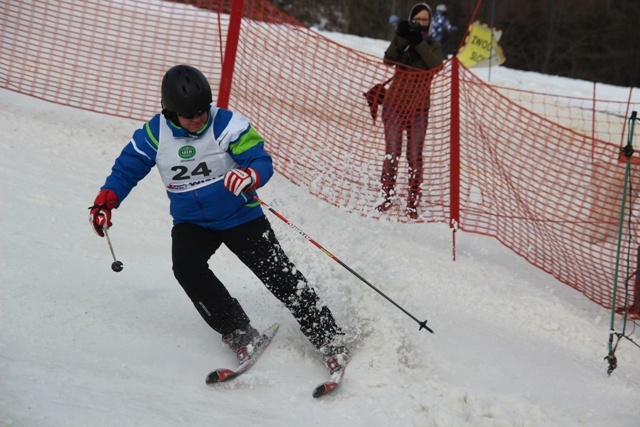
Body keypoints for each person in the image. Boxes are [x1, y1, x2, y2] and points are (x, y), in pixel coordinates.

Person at [88, 64, 350, 374]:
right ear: (170, 112)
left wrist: (249, 175)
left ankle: (329, 338)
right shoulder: (153, 134)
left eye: (202, 110)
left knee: (280, 276)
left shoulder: (225, 124)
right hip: (192, 223)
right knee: (186, 268)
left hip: (240, 215)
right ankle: (238, 331)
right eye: (189, 115)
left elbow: (259, 159)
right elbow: (126, 169)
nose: (198, 118)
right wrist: (106, 201)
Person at [377, 3, 443, 219]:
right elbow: (388, 60)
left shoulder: (433, 44)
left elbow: (434, 66)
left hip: (419, 108)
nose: (421, 23)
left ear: (430, 23)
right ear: (411, 19)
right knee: (392, 153)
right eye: (418, 19)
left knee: (414, 156)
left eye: (425, 20)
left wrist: (418, 42)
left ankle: (412, 202)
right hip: (394, 103)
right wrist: (402, 39)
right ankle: (386, 196)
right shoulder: (402, 37)